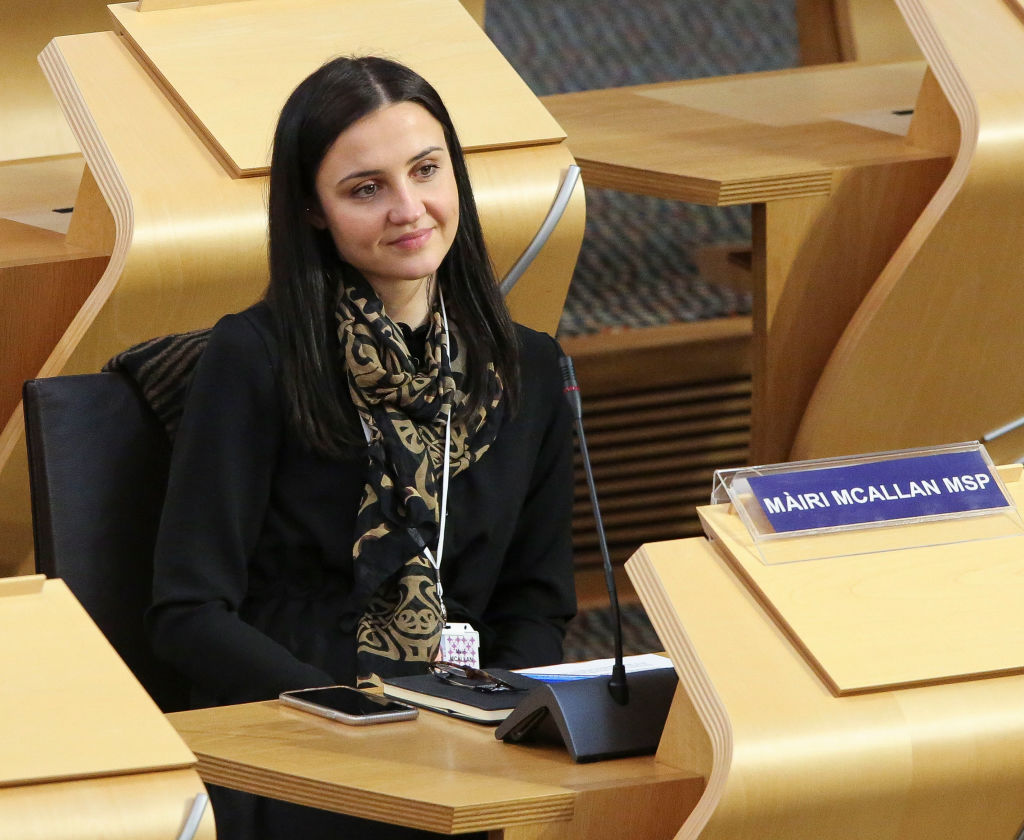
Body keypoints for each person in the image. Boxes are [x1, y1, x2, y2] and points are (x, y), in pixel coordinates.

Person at [145, 56, 576, 838]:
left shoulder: (529, 368)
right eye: (365, 189)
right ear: (313, 210)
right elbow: (189, 612)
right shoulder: (255, 357)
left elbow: (537, 604)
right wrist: (349, 715)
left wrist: (492, 712)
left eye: (425, 171)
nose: (408, 209)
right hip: (298, 724)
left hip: (464, 728)